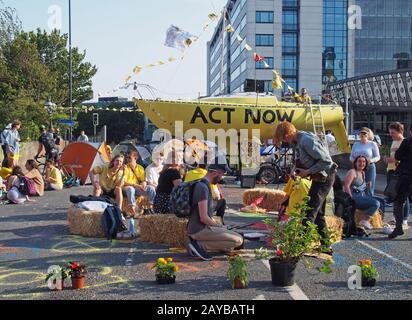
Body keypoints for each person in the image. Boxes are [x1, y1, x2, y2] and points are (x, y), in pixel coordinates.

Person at [274, 121, 337, 250]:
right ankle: (326, 246)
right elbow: (302, 159)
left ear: (287, 135)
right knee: (318, 213)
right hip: (319, 177)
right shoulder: (298, 141)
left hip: (325, 177)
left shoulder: (306, 140)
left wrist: (307, 172)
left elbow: (326, 161)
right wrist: (295, 169)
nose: (285, 142)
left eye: (283, 138)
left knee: (309, 212)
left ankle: (300, 245)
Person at [187, 162, 243, 261]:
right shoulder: (202, 187)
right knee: (238, 240)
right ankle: (198, 244)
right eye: (222, 174)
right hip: (199, 229)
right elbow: (203, 217)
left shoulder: (204, 184)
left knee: (235, 237)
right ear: (215, 173)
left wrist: (221, 227)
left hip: (201, 227)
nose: (221, 178)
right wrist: (219, 226)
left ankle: (199, 243)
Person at [344, 156, 380, 230]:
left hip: (361, 197)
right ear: (355, 163)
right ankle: (364, 220)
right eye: (359, 161)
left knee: (381, 201)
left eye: (364, 162)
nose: (362, 163)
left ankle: (378, 222)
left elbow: (361, 189)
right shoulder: (352, 172)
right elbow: (346, 186)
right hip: (354, 198)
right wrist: (350, 199)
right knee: (376, 203)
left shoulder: (363, 173)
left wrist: (367, 186)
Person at [384, 122, 409, 229]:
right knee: (394, 195)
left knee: (403, 195)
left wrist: (389, 159)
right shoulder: (394, 141)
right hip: (391, 170)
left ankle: (404, 220)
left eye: (393, 132)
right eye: (390, 132)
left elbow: (399, 158)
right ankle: (397, 217)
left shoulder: (405, 142)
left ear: (400, 131)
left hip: (399, 172)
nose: (391, 135)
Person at [389, 124, 412, 239]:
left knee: (398, 202)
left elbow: (397, 156)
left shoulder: (407, 142)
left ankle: (398, 228)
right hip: (406, 176)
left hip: (406, 176)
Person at [123, 150, 156, 216]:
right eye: (127, 157)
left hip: (137, 188)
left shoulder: (140, 168)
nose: (127, 159)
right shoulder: (125, 168)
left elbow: (144, 180)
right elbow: (124, 182)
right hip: (127, 187)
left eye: (129, 157)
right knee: (131, 189)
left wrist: (144, 184)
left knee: (151, 188)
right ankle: (132, 208)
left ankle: (150, 207)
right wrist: (136, 185)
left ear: (135, 158)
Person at [350, 127, 380, 196]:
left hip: (369, 167)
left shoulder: (372, 144)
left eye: (365, 133)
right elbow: (351, 156)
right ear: (359, 135)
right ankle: (359, 200)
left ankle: (369, 200)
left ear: (368, 134)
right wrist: (353, 160)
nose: (363, 135)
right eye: (361, 133)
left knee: (369, 186)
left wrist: (371, 160)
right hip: (358, 167)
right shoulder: (356, 144)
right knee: (358, 185)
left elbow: (378, 157)